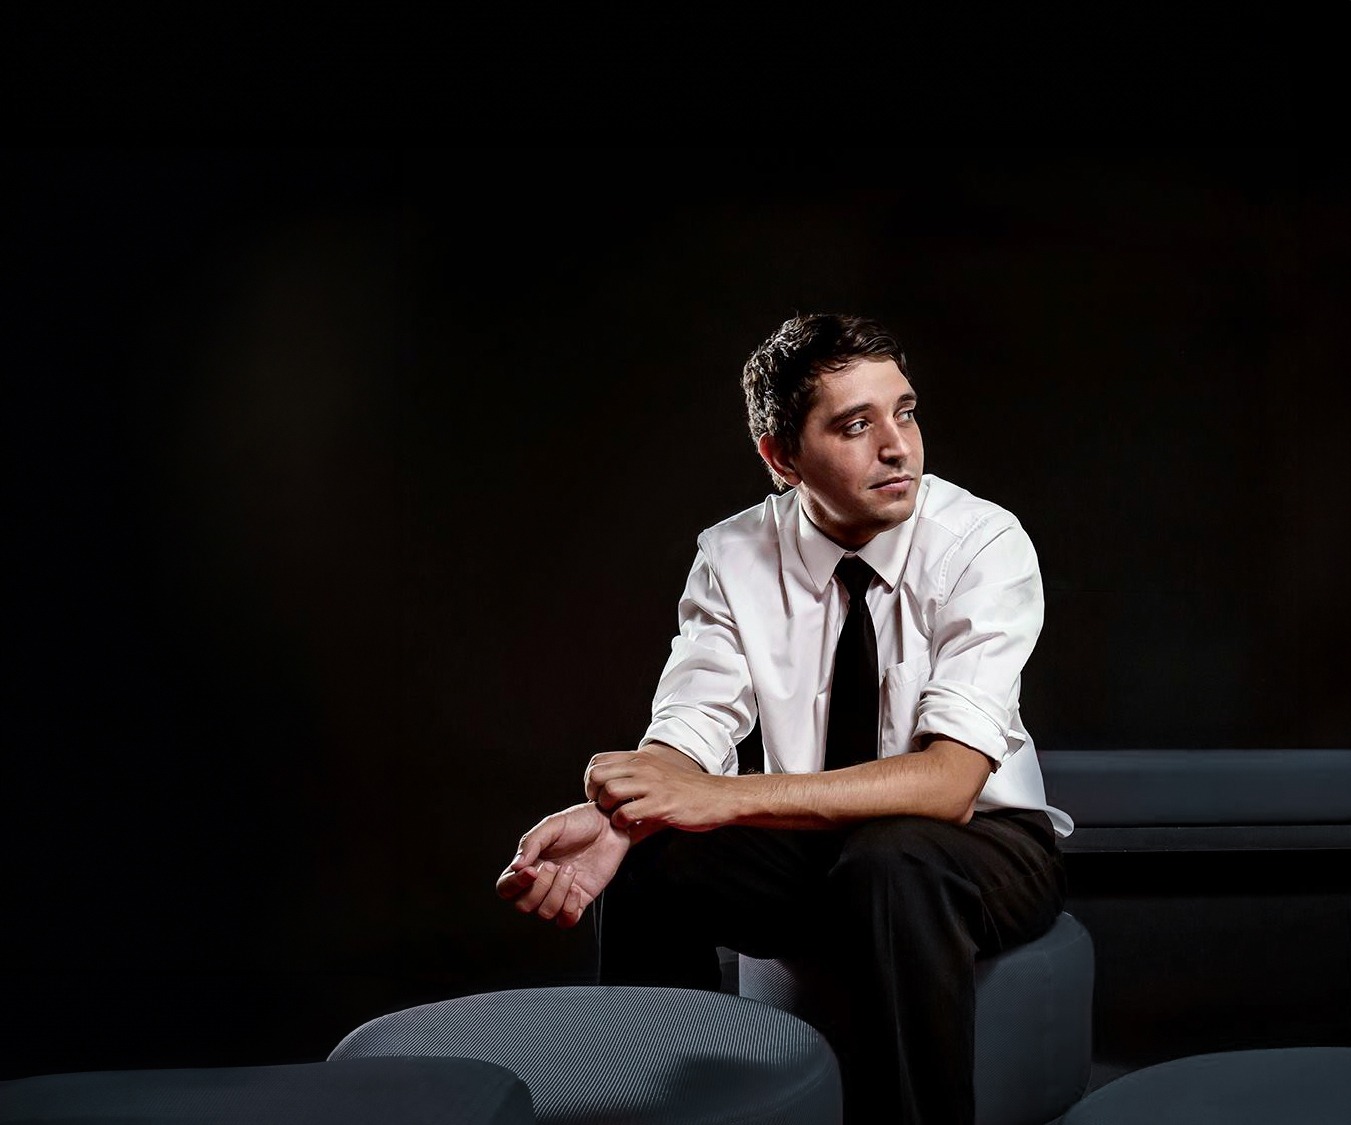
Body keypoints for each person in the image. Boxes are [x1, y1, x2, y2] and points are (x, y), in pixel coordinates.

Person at [496, 312, 1073, 1125]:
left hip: (983, 844)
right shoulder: (732, 555)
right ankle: (665, 1114)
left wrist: (717, 799)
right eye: (854, 425)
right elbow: (691, 725)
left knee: (893, 859)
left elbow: (949, 784)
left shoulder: (982, 543)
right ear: (780, 456)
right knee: (651, 863)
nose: (897, 446)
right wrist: (627, 817)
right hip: (819, 847)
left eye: (904, 412)